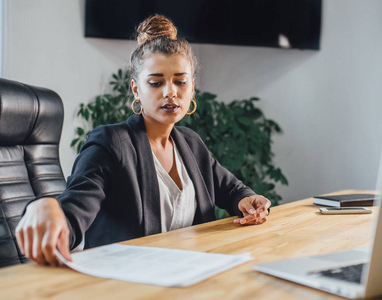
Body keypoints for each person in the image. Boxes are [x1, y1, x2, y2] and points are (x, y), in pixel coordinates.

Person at [16, 15, 271, 266]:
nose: (170, 92)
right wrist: (48, 209)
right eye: (156, 82)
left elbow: (231, 189)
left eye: (180, 81)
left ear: (192, 88)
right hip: (126, 283)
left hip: (191, 277)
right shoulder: (111, 144)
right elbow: (75, 210)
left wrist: (248, 201)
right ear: (136, 89)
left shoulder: (191, 144)